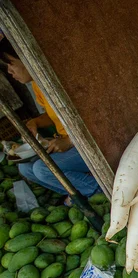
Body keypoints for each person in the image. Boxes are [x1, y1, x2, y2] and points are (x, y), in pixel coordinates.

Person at [3, 51, 100, 198]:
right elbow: (52, 114)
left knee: (42, 169)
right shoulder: (37, 85)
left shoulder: (56, 83)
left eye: (11, 65)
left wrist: (69, 140)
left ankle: (98, 191)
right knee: (25, 169)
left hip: (89, 142)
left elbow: (94, 117)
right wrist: (35, 122)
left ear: (26, 59)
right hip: (67, 142)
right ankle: (79, 195)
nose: (9, 71)